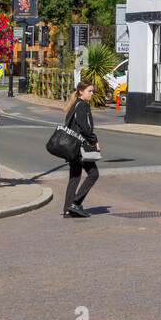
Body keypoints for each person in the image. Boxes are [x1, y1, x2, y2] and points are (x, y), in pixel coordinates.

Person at [62, 81, 100, 218]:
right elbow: (85, 128)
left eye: (92, 91)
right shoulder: (82, 105)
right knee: (93, 174)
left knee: (75, 177)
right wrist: (94, 141)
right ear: (80, 92)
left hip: (72, 147)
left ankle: (67, 210)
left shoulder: (74, 105)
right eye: (89, 91)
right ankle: (75, 203)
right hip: (80, 147)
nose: (92, 93)